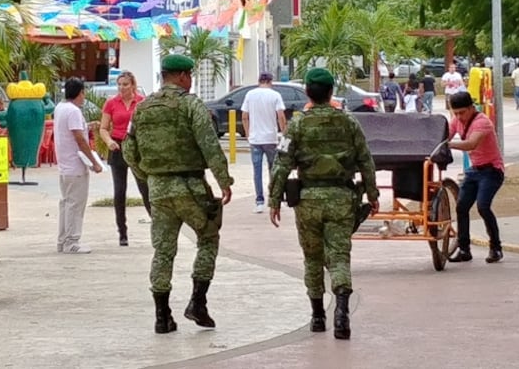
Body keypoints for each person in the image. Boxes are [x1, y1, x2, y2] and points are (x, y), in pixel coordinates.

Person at [122, 54, 233, 334]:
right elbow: (209, 145)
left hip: (158, 190)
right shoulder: (190, 104)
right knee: (208, 238)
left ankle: (162, 316)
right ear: (183, 76)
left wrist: (146, 176)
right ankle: (198, 302)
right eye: (190, 76)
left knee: (163, 250)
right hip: (190, 187)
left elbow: (128, 150)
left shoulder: (142, 108)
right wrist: (224, 181)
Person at [268, 68, 379, 341]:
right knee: (340, 256)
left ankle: (318, 316)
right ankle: (342, 313)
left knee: (312, 258)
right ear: (331, 93)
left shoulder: (297, 124)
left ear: (307, 92)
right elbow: (366, 160)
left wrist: (274, 200)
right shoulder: (349, 122)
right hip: (342, 198)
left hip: (308, 200)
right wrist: (373, 195)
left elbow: (281, 163)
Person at [446, 91, 505, 264]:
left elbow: (470, 144)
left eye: (462, 112)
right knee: (461, 207)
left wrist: (447, 144)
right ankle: (464, 249)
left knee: (483, 207)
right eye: (455, 113)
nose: (459, 117)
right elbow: (444, 135)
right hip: (474, 171)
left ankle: (496, 248)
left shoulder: (482, 122)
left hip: (492, 171)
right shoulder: (457, 121)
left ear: (472, 108)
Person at [99, 71, 150, 246]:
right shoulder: (111, 103)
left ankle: (157, 226)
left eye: (125, 84)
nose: (122, 88)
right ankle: (122, 232)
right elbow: (104, 128)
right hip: (118, 146)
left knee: (145, 188)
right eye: (119, 84)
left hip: (136, 147)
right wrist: (109, 141)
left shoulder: (142, 102)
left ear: (133, 85)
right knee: (119, 191)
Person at [53, 77, 103, 255]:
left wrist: (87, 126)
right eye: (83, 93)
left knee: (66, 203)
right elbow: (80, 139)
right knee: (75, 204)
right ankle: (72, 241)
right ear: (80, 93)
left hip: (65, 165)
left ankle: (63, 239)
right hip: (75, 166)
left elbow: (72, 130)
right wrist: (95, 162)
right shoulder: (74, 111)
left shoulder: (60, 108)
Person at [242, 72, 286, 214]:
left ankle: (259, 201)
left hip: (255, 139)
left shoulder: (250, 94)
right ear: (270, 81)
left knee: (257, 171)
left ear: (259, 81)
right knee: (274, 170)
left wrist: (248, 133)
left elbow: (244, 116)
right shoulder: (275, 95)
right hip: (271, 138)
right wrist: (284, 134)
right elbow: (281, 117)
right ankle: (274, 198)